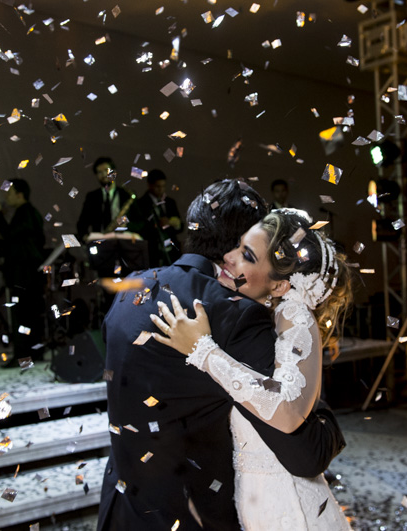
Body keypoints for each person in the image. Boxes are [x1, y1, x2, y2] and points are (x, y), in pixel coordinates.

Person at [98, 180, 346, 531]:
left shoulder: (128, 292)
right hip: (194, 518)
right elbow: (307, 453)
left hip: (120, 513)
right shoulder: (232, 313)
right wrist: (327, 421)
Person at [151, 209, 353, 530]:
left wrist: (203, 351)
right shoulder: (264, 314)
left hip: (289, 505)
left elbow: (287, 410)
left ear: (279, 286)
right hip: (255, 497)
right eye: (237, 247)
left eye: (246, 255)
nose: (228, 258)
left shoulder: (295, 315)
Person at [0, 179, 46, 367]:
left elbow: (11, 235)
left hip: (24, 272)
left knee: (22, 314)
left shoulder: (25, 213)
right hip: (30, 271)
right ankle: (34, 352)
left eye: (10, 192)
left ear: (19, 194)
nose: (7, 196)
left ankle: (23, 355)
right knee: (31, 313)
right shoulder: (31, 213)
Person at [127, 169, 183, 267]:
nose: (161, 189)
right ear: (150, 185)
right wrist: (156, 225)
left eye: (163, 186)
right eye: (158, 186)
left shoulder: (170, 202)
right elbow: (138, 228)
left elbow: (181, 227)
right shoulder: (141, 204)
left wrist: (174, 223)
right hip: (152, 252)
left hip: (171, 251)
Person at [76, 157, 136, 242]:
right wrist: (85, 237)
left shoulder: (126, 195)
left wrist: (126, 225)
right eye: (99, 172)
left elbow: (139, 222)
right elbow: (82, 223)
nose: (104, 175)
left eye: (106, 171)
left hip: (123, 241)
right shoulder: (92, 197)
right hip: (100, 244)